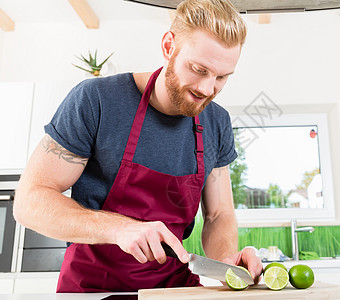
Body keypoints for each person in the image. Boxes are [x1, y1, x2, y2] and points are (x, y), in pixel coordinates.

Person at [13, 0, 262, 293]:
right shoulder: (96, 101)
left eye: (222, 77)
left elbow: (219, 214)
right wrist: (119, 228)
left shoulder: (217, 122)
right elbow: (29, 203)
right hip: (94, 288)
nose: (207, 89)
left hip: (173, 290)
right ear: (169, 46)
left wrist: (225, 262)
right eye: (198, 69)